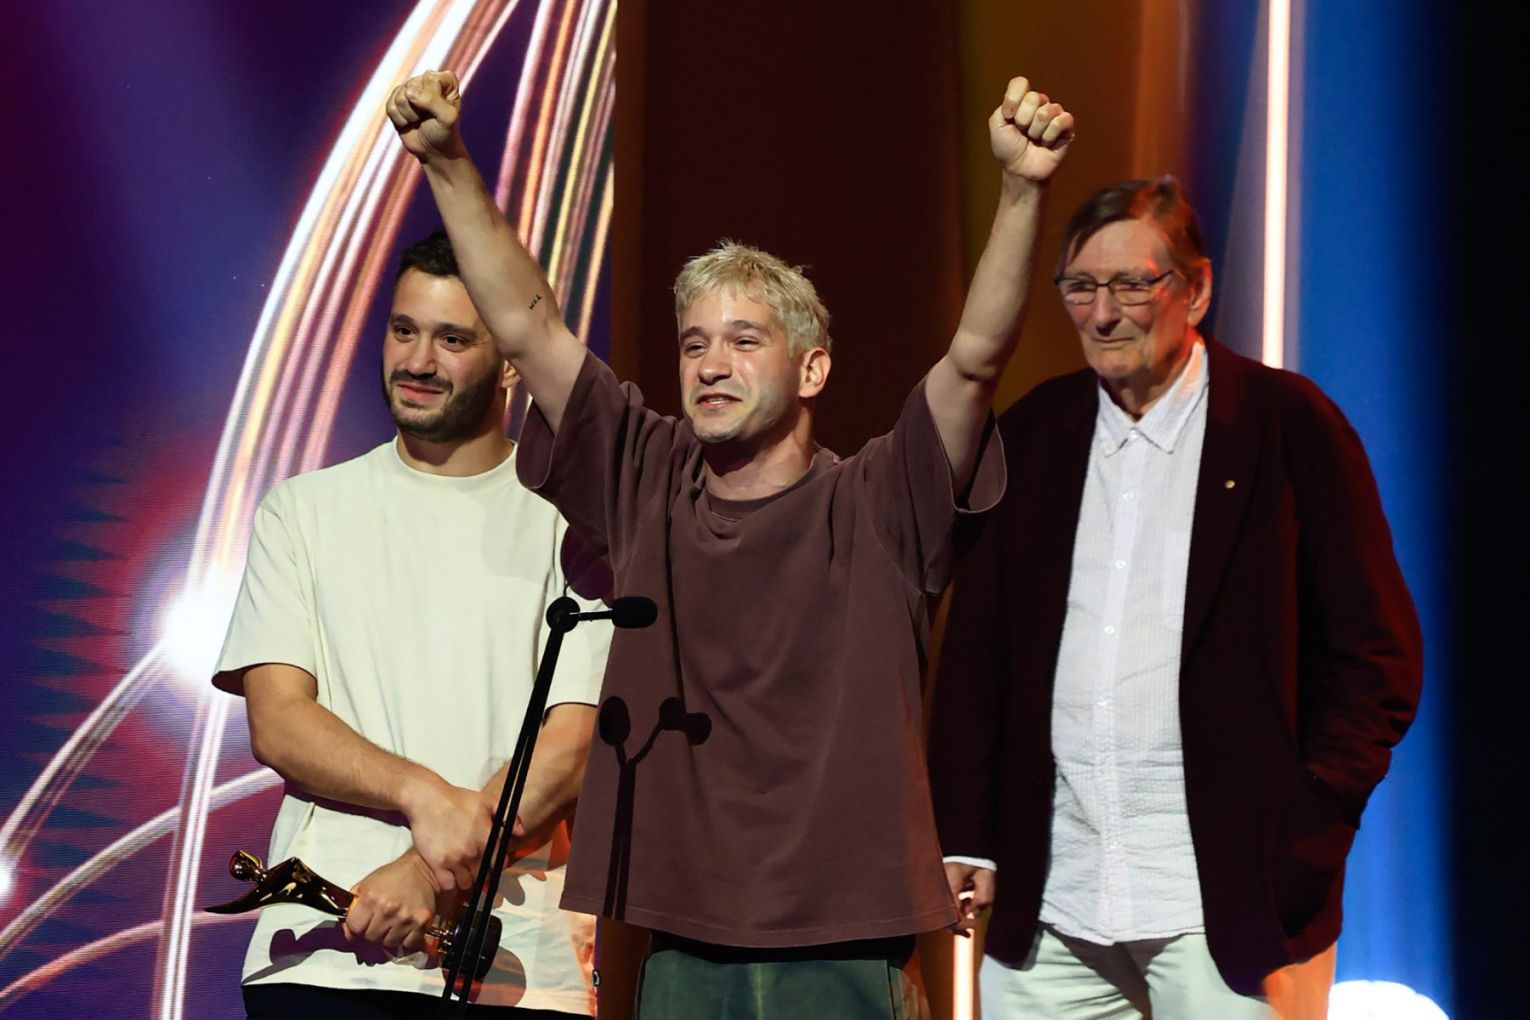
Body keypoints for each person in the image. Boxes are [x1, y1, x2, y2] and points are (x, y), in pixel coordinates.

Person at [384, 69, 1073, 1019]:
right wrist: (447, 160)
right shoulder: (648, 474)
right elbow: (529, 326)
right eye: (696, 341)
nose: (712, 363)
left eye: (746, 340)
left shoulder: (881, 497)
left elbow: (976, 357)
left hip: (844, 946)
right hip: (682, 947)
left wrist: (1024, 188)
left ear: (813, 366)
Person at [926, 177, 1423, 1019]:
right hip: (1056, 905)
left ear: (1194, 289)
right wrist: (965, 831)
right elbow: (979, 656)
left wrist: (1308, 819)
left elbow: (1376, 654)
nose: (1104, 313)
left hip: (1227, 904)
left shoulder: (1287, 426)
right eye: (1082, 287)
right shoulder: (1036, 436)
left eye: (1131, 284)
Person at [213, 231, 613, 1019]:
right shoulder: (304, 511)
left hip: (515, 967)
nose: (418, 361)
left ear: (509, 361)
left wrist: (428, 872)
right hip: (324, 958)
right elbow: (279, 720)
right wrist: (422, 795)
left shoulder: (575, 526)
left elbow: (570, 746)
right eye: (403, 330)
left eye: (452, 338)